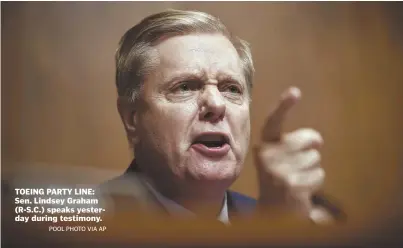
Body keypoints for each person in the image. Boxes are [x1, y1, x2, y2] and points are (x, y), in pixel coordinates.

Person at [100, 9, 336, 225]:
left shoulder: (273, 221)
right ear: (131, 118)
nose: (216, 104)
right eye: (185, 87)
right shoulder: (81, 223)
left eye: (231, 89)